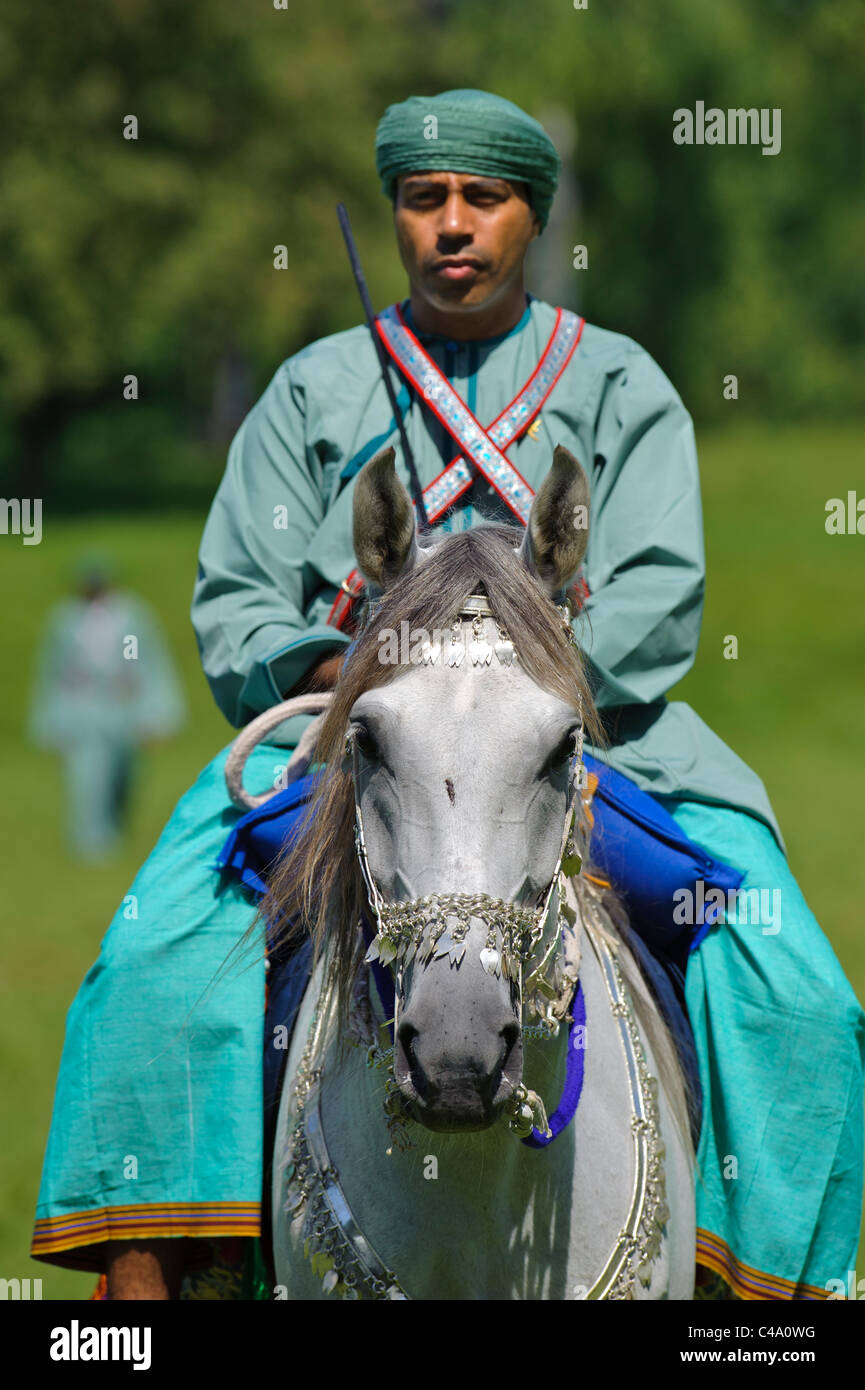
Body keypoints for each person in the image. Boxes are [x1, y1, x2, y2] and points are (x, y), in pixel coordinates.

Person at [32, 89, 863, 1300]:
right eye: (426, 202)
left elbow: (659, 596)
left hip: (596, 746)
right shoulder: (313, 393)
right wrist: (359, 672)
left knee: (795, 988)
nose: (453, 226)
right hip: (355, 747)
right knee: (148, 954)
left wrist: (516, 670)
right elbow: (234, 603)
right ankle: (151, 1287)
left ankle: (769, 1301)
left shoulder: (622, 386)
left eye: (484, 199)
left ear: (532, 215)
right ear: (398, 216)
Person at [29, 557, 185, 859]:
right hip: (82, 709)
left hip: (122, 707)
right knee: (87, 774)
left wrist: (158, 711)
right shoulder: (64, 620)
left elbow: (151, 665)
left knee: (122, 774)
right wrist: (49, 720)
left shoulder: (131, 615)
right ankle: (92, 842)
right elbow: (51, 673)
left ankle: (115, 825)